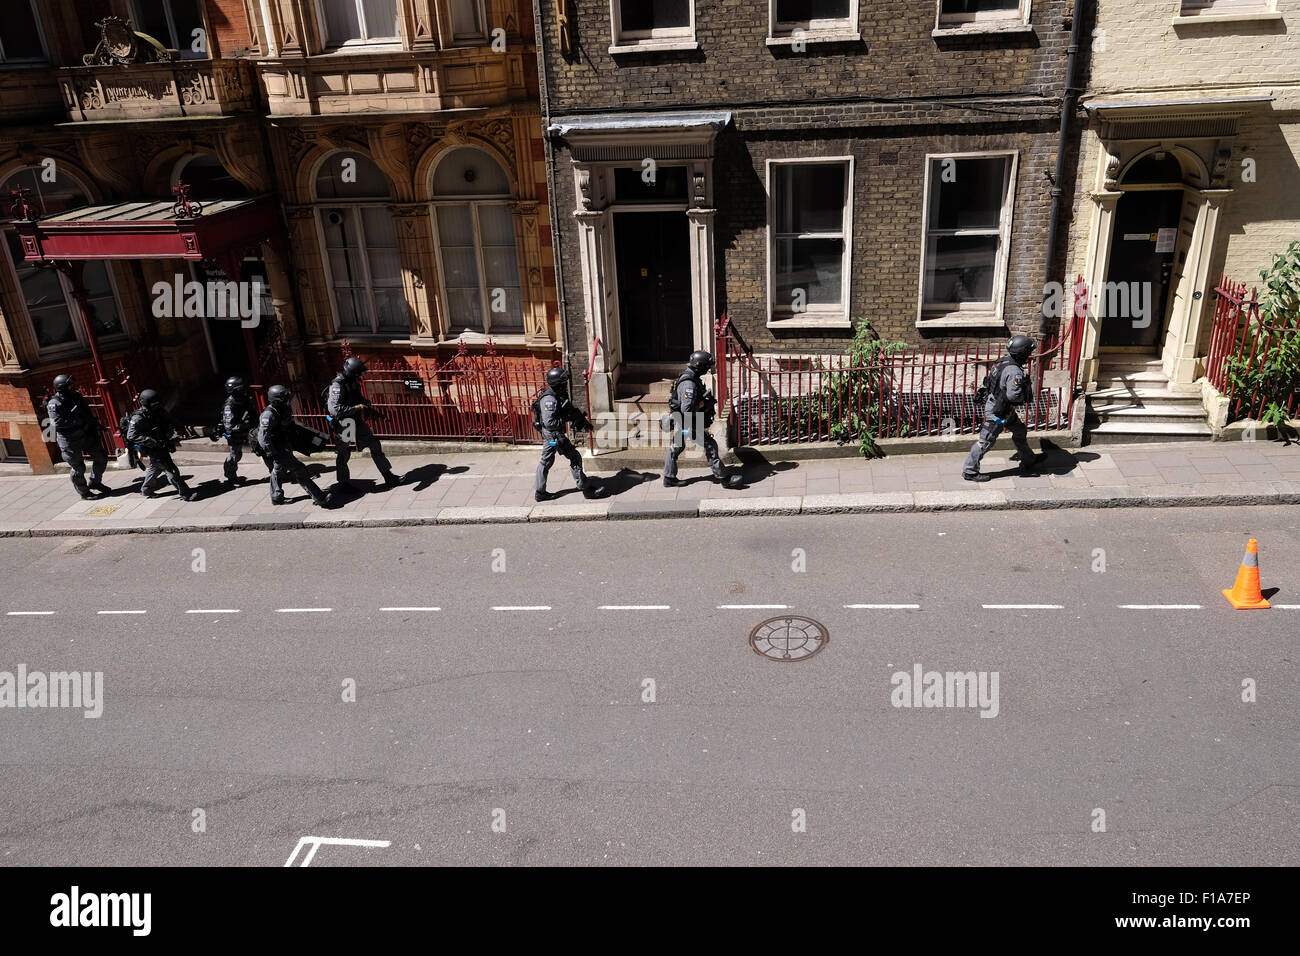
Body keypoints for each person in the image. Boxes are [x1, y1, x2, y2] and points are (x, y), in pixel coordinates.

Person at [963, 334, 1050, 483]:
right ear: (1021, 353)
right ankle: (970, 471)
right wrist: (1024, 389)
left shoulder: (1002, 361)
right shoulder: (1014, 371)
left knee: (1019, 431)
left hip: (1002, 407)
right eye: (1028, 353)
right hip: (999, 411)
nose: (1029, 356)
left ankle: (1028, 460)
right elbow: (1014, 396)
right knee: (986, 441)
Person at [662, 350, 740, 489]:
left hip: (684, 423)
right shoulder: (689, 384)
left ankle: (669, 478)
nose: (707, 369)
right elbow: (687, 409)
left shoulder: (689, 376)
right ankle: (725, 479)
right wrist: (703, 403)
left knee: (676, 448)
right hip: (688, 424)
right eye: (706, 367)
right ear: (700, 366)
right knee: (710, 446)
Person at [326, 357, 401, 489]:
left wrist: (365, 404)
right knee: (344, 452)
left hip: (355, 419)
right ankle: (343, 483)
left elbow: (357, 397)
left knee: (374, 444)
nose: (361, 375)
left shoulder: (353, 381)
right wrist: (356, 408)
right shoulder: (337, 385)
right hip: (345, 423)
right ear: (352, 372)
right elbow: (334, 409)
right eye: (359, 373)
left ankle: (388, 476)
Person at [531, 367, 600, 502]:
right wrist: (566, 419)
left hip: (551, 437)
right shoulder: (549, 399)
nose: (565, 384)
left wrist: (581, 421)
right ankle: (585, 488)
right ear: (558, 383)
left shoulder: (558, 394)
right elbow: (550, 422)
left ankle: (540, 492)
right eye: (563, 382)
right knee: (574, 457)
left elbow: (569, 410)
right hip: (554, 437)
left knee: (546, 461)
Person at [259, 385, 332, 507]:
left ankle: (276, 496)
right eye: (284, 397)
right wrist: (272, 452)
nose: (287, 399)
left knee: (277, 469)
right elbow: (263, 437)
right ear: (277, 399)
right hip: (278, 448)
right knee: (300, 470)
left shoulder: (283, 408)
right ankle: (319, 497)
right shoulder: (268, 415)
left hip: (285, 445)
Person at [126, 389, 198, 500]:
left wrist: (180, 428)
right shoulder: (139, 417)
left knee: (155, 467)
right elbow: (131, 435)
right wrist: (151, 442)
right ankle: (186, 494)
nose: (156, 405)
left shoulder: (158, 410)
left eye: (157, 402)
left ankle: (146, 489)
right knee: (171, 470)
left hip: (163, 443)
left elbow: (170, 419)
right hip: (153, 447)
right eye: (153, 403)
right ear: (146, 402)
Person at [46, 374, 109, 500]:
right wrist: (76, 420)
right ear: (62, 387)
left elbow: (87, 413)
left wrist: (95, 424)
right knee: (79, 467)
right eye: (70, 385)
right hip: (69, 439)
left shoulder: (76, 396)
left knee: (101, 456)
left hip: (85, 433)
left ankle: (95, 482)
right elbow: (56, 423)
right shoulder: (54, 403)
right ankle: (84, 492)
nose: (72, 387)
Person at [220, 376, 265, 486]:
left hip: (250, 429)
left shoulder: (245, 399)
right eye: (240, 389)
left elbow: (253, 412)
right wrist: (244, 424)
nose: (243, 390)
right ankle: (230, 476)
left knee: (263, 448)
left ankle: (275, 471)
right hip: (236, 434)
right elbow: (229, 426)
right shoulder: (229, 405)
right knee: (235, 455)